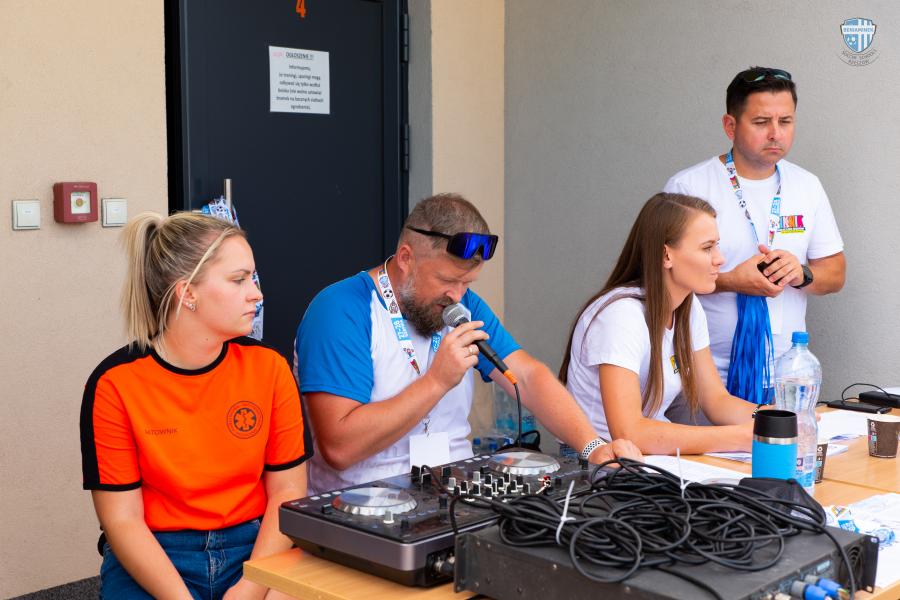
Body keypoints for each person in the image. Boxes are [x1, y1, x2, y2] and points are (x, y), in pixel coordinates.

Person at [294, 193, 640, 493]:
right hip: (363, 503)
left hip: (454, 494)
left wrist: (592, 446)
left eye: (467, 283)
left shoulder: (461, 304)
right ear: (406, 258)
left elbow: (527, 376)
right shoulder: (341, 310)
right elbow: (340, 448)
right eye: (447, 280)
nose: (458, 296)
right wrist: (436, 381)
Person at [80, 212, 311, 600]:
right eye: (239, 280)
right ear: (187, 293)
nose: (256, 293)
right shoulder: (115, 383)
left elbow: (287, 491)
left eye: (253, 278)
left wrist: (252, 586)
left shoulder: (269, 368)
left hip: (256, 544)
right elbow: (123, 520)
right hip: (156, 552)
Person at [663, 67, 845, 404]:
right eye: (761, 122)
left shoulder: (807, 185)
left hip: (786, 372)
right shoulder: (689, 186)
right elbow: (662, 279)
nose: (775, 134)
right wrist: (731, 281)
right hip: (703, 373)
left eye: (785, 121)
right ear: (730, 126)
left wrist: (801, 274)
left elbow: (835, 273)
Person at [560, 193, 757, 455]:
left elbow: (716, 401)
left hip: (651, 459)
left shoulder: (690, 307)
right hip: (600, 461)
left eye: (717, 246)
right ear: (666, 255)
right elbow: (628, 432)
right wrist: (739, 438)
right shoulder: (620, 315)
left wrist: (775, 418)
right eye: (707, 248)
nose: (719, 258)